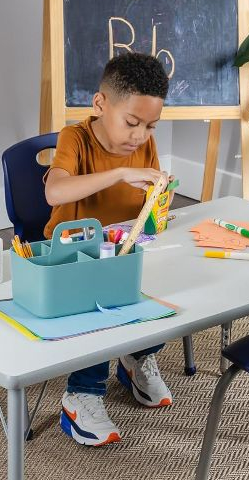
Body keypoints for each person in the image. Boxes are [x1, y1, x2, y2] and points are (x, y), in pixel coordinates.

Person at [44, 52, 173, 446]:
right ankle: (82, 393)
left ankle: (136, 356)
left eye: (150, 126)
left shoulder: (143, 143)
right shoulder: (76, 138)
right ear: (100, 104)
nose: (139, 136)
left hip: (125, 248)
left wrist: (159, 200)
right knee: (100, 308)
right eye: (132, 123)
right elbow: (54, 191)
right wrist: (119, 172)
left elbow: (143, 210)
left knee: (176, 295)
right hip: (73, 254)